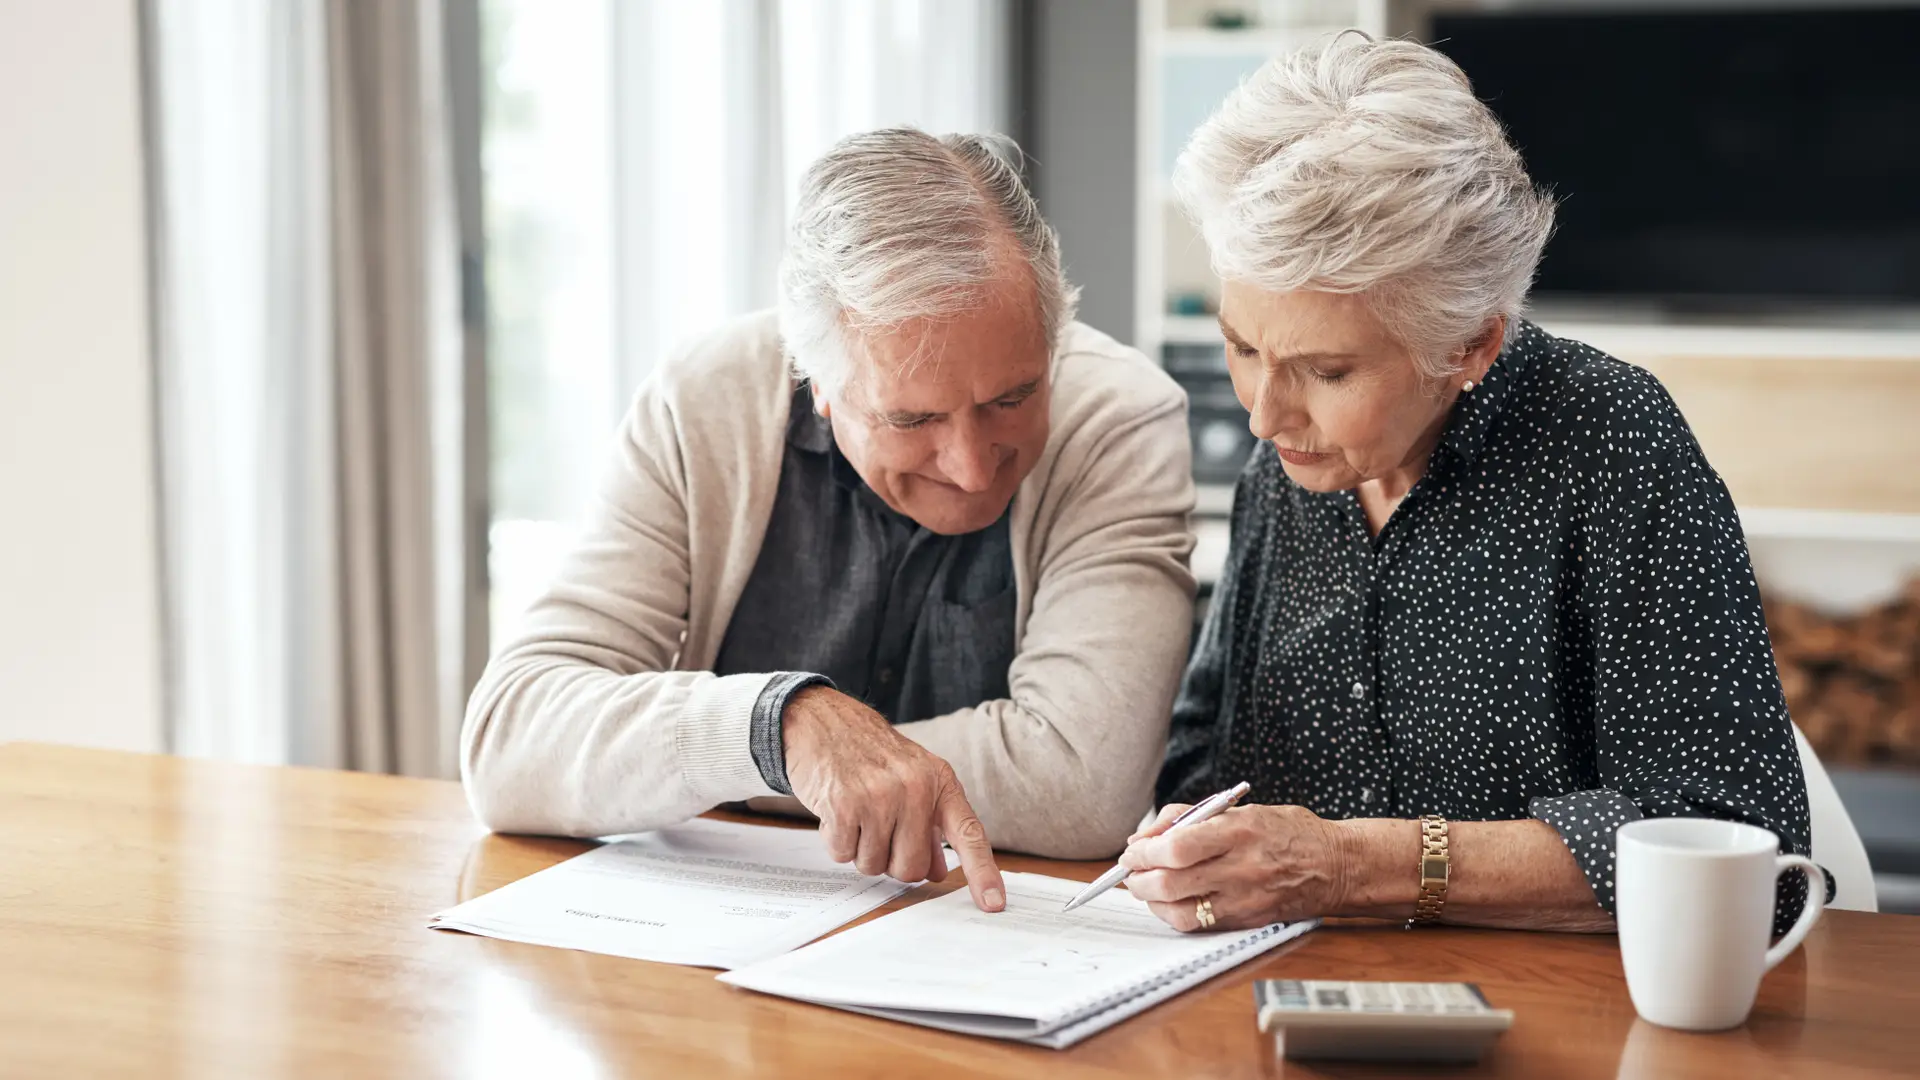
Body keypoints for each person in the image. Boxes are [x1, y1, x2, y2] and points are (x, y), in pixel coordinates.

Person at [1123, 35, 1828, 936]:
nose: (1263, 416)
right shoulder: (1288, 466)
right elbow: (1206, 753)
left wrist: (1348, 866)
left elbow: (1739, 844)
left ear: (1471, 347)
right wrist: (1189, 840)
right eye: (1243, 347)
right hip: (1296, 1003)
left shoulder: (1612, 445)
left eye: (1327, 371)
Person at [462, 128, 1197, 913]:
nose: (973, 466)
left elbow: (1083, 780)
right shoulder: (704, 402)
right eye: (913, 419)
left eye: (1011, 400)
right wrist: (782, 731)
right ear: (818, 381)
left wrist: (721, 770)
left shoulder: (1121, 418)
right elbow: (512, 740)